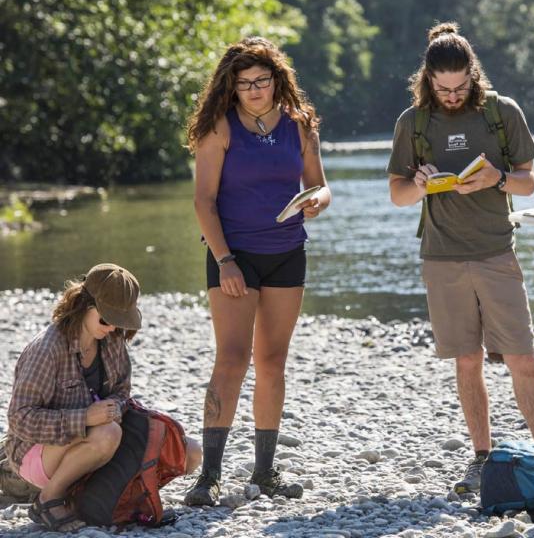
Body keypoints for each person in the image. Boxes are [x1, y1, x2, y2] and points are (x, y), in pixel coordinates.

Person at [387, 22, 534, 495]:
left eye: (460, 86)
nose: (452, 95)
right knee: (466, 360)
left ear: (473, 75)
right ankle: (482, 457)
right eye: (442, 88)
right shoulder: (412, 122)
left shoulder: (502, 113)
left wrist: (497, 179)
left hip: (496, 253)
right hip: (441, 258)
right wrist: (418, 185)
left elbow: (528, 182)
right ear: (427, 79)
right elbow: (398, 195)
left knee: (522, 357)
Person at [184, 36, 331, 506]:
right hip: (235, 254)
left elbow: (320, 187)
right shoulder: (219, 127)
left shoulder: (299, 124)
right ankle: (208, 478)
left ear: (276, 79)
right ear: (231, 86)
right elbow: (203, 202)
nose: (253, 90)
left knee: (272, 362)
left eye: (261, 81)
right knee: (231, 359)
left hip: (288, 250)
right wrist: (225, 260)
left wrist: (316, 204)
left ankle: (264, 473)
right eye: (244, 83)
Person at [6, 264, 154, 532]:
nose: (112, 328)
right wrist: (85, 418)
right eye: (106, 319)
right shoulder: (47, 349)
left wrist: (112, 409)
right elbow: (19, 419)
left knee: (187, 451)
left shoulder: (112, 341)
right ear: (85, 305)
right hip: (33, 453)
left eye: (120, 321)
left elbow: (122, 391)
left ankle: (82, 493)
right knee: (107, 433)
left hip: (88, 444)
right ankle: (49, 498)